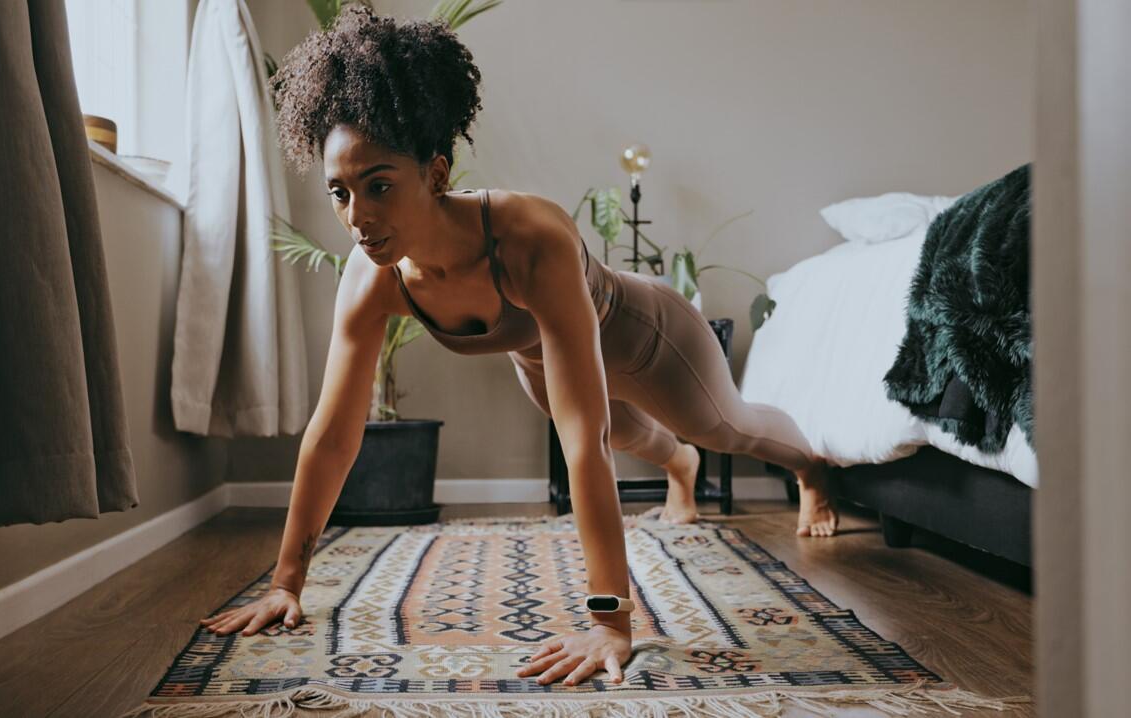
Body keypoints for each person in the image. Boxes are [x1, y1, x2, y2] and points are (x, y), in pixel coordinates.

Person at [198, 6, 838, 688]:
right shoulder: (372, 280)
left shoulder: (530, 239)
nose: (357, 216)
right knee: (634, 438)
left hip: (649, 340)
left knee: (723, 427)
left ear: (436, 174)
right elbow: (332, 437)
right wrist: (285, 581)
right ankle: (679, 468)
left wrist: (609, 621)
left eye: (379, 185)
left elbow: (579, 446)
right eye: (340, 192)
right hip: (542, 362)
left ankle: (813, 469)